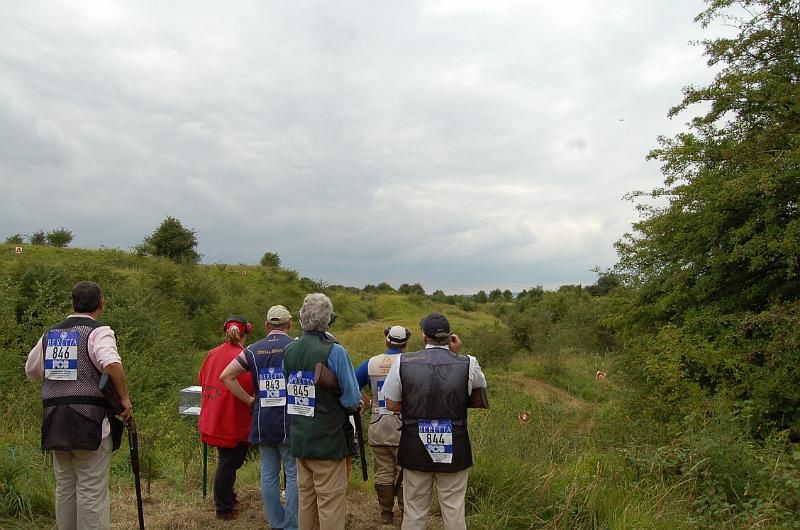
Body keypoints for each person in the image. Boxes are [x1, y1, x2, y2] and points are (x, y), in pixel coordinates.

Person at [25, 280, 132, 530]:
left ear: (72, 303)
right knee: (91, 490)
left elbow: (31, 370)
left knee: (65, 488)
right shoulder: (98, 332)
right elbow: (111, 364)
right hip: (90, 423)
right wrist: (124, 399)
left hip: (56, 422)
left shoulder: (51, 335)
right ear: (101, 304)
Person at [382, 312, 487, 530]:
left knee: (414, 513)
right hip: (455, 446)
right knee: (454, 512)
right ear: (450, 337)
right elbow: (479, 391)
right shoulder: (469, 362)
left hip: (415, 446)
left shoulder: (403, 361)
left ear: (423, 336)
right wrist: (455, 353)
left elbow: (391, 404)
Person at [282, 293, 360, 530]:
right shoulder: (335, 351)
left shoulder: (290, 350)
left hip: (300, 440)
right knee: (331, 504)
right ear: (327, 320)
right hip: (328, 440)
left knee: (307, 501)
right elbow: (352, 399)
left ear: (301, 318)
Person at [220, 305, 298, 530]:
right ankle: (292, 524)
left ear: (266, 325)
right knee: (292, 474)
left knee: (268, 474)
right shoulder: (294, 347)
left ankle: (276, 523)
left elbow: (226, 376)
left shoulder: (253, 350)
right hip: (289, 420)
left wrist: (248, 400)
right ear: (289, 324)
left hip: (262, 420)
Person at [198, 315, 255, 520]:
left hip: (213, 417)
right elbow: (250, 387)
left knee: (225, 460)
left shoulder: (213, 354)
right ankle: (223, 507)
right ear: (246, 333)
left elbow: (201, 378)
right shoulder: (244, 356)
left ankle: (229, 497)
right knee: (229, 464)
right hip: (233, 421)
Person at [354, 325, 411, 524]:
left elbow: (352, 383)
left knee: (383, 472)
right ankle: (406, 514)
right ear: (406, 342)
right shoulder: (410, 362)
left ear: (386, 339)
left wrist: (367, 401)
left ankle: (386, 512)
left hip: (378, 425)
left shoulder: (371, 363)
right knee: (405, 473)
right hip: (404, 428)